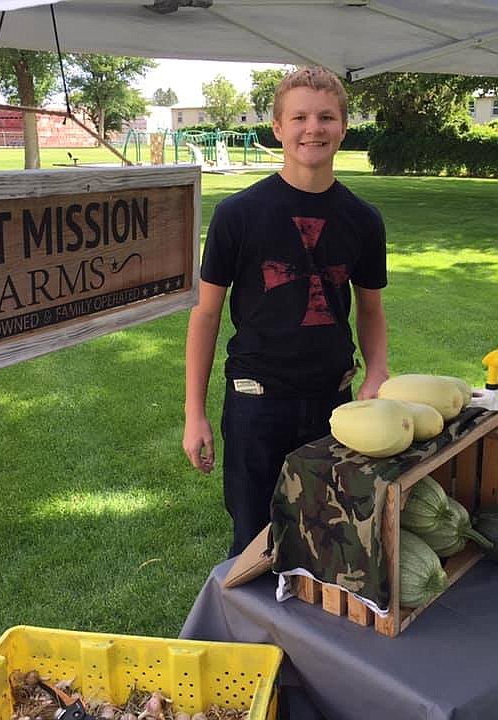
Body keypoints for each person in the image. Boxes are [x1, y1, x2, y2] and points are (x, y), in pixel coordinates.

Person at [182, 66, 389, 558]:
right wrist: (195, 413)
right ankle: (253, 633)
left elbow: (371, 308)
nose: (312, 128)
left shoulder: (363, 219)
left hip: (334, 405)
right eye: (298, 117)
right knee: (256, 542)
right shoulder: (239, 214)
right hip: (257, 402)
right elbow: (205, 314)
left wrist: (376, 371)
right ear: (276, 128)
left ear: (343, 126)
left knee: (329, 539)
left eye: (326, 117)